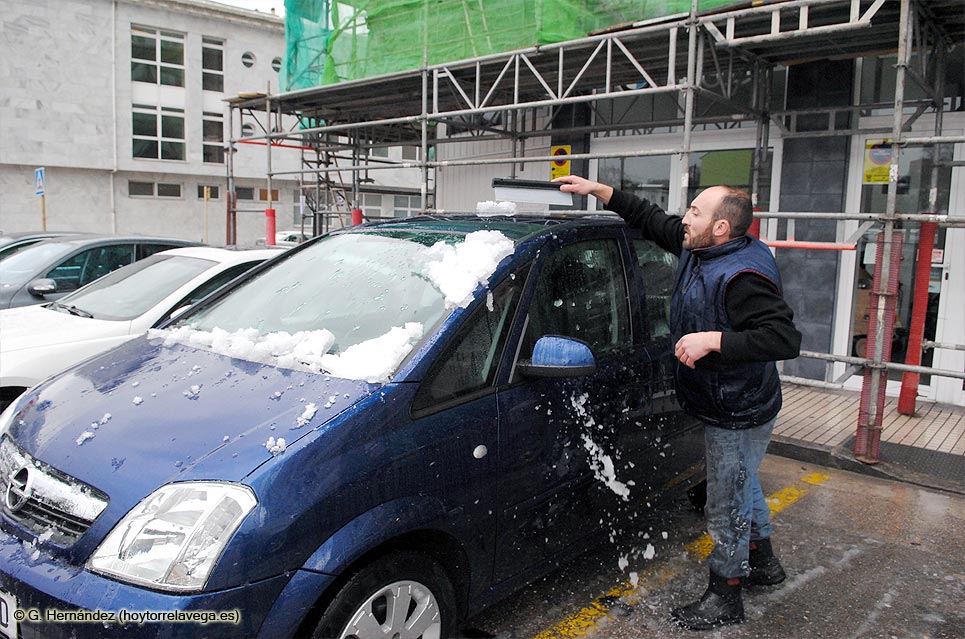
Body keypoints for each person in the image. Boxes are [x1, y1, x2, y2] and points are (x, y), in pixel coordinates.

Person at [555, 175, 802, 631]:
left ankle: (725, 595)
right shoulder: (701, 246)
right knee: (742, 483)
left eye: (695, 212)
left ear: (722, 228)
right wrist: (601, 191)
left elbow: (784, 338)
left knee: (724, 502)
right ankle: (763, 561)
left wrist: (714, 340)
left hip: (737, 409)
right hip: (730, 399)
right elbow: (653, 222)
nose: (683, 219)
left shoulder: (742, 275)